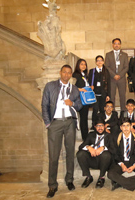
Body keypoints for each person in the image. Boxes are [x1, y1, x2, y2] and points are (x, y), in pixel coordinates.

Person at [41, 65, 83, 198]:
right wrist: (48, 123)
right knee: (54, 155)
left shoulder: (74, 89)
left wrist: (73, 104)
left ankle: (69, 180)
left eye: (69, 73)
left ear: (71, 75)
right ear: (60, 73)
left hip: (70, 122)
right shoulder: (50, 86)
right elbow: (44, 105)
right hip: (56, 123)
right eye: (64, 72)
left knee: (70, 152)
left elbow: (80, 104)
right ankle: (52, 185)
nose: (66, 74)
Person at [107, 118, 135, 193]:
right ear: (120, 127)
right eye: (123, 126)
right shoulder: (115, 138)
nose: (126, 128)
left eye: (128, 125)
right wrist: (122, 165)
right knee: (110, 174)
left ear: (131, 126)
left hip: (133, 161)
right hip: (121, 161)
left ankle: (121, 182)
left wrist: (134, 165)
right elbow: (115, 154)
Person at [76, 119, 112, 189]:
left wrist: (103, 148)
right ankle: (88, 177)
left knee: (106, 155)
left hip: (104, 162)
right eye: (98, 126)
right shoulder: (91, 135)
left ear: (105, 126)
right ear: (95, 127)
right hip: (92, 159)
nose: (100, 128)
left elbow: (114, 150)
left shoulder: (109, 136)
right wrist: (89, 147)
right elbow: (81, 147)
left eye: (101, 126)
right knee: (80, 154)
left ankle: (101, 177)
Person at [105, 38, 129, 111]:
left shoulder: (124, 55)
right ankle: (112, 113)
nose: (117, 45)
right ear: (112, 45)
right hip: (112, 79)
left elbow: (126, 67)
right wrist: (114, 75)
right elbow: (106, 66)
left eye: (118, 44)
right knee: (112, 97)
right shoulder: (108, 55)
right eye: (115, 43)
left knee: (122, 96)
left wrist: (119, 75)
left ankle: (123, 113)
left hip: (121, 79)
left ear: (120, 45)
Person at [88, 55, 111, 128]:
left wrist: (108, 95)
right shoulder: (92, 71)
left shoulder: (106, 71)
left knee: (102, 110)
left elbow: (109, 84)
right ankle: (93, 124)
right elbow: (89, 82)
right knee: (95, 109)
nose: (99, 62)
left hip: (103, 94)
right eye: (98, 60)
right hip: (94, 94)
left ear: (103, 62)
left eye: (101, 60)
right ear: (96, 62)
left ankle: (101, 124)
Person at [72, 59, 90, 141]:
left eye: (85, 64)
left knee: (84, 119)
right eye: (82, 64)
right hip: (79, 99)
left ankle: (85, 137)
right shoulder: (75, 75)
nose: (84, 66)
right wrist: (80, 89)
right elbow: (72, 87)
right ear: (78, 65)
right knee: (81, 119)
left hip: (85, 99)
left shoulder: (84, 75)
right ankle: (84, 138)